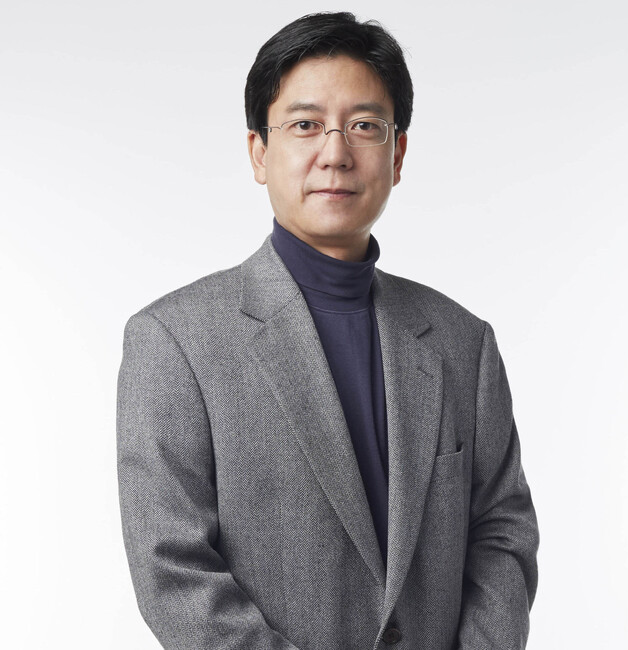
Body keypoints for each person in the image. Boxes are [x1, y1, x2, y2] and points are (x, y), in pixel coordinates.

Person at [116, 12, 539, 650]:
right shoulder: (174, 342)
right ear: (259, 152)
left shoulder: (463, 342)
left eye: (364, 126)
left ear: (397, 155)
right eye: (305, 125)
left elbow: (502, 532)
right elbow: (172, 568)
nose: (336, 153)